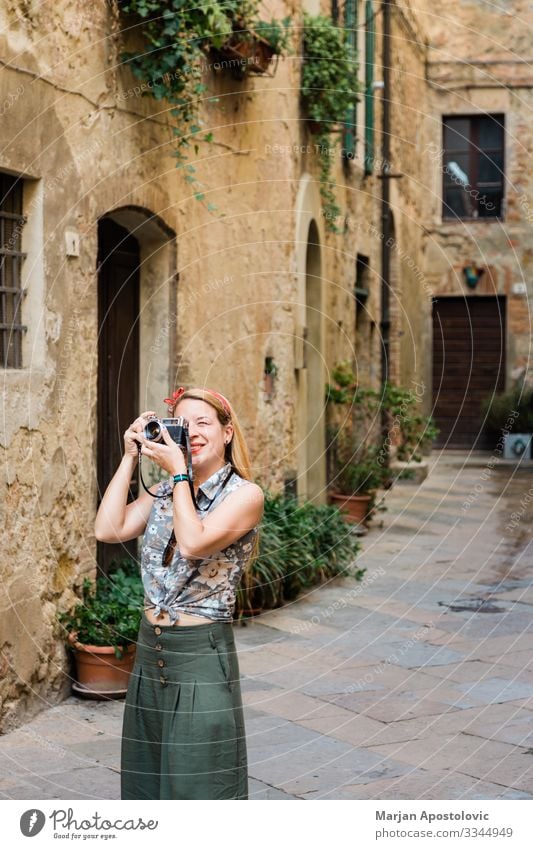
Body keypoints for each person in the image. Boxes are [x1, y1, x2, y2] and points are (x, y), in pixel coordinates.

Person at [94, 386, 264, 800]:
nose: (193, 432)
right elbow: (107, 529)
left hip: (200, 657)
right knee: (145, 781)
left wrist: (180, 474)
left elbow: (193, 542)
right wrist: (130, 456)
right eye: (183, 424)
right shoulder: (164, 491)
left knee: (199, 784)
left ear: (227, 433)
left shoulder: (245, 496)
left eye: (204, 423)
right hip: (150, 654)